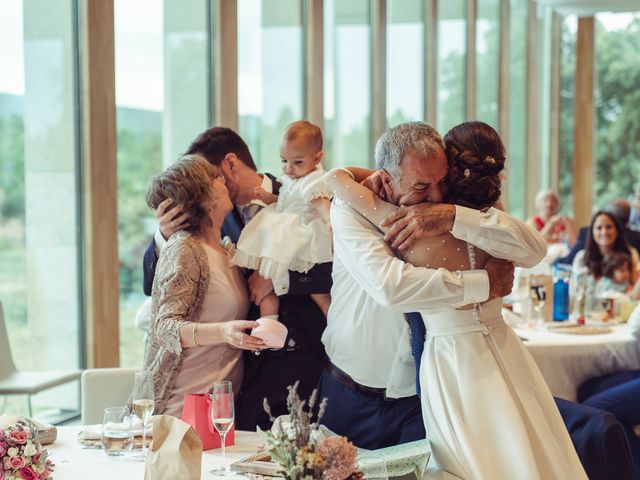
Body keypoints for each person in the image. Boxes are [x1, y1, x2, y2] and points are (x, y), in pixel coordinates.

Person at [324, 121, 586, 479]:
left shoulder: (453, 210)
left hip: (420, 394)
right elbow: (391, 287)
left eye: (441, 182)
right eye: (420, 186)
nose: (434, 196)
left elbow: (532, 248)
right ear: (386, 179)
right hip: (352, 391)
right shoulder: (351, 209)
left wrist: (452, 216)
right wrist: (484, 283)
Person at [141, 127, 331, 429]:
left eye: (212, 173)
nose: (215, 182)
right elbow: (158, 292)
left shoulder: (297, 189)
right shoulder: (201, 231)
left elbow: (332, 259)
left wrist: (279, 277)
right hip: (244, 375)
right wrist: (165, 236)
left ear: (230, 164)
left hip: (307, 354)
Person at [143, 155, 264, 416]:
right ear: (204, 198)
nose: (225, 181)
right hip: (183, 405)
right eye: (217, 177)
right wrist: (224, 332)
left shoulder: (223, 249)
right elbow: (163, 327)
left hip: (219, 405)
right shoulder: (184, 249)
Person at [232, 120, 332, 320]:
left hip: (301, 229)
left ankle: (329, 313)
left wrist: (330, 222)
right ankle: (268, 322)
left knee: (318, 294)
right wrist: (268, 198)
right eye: (283, 161)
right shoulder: (289, 180)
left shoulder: (313, 182)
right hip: (284, 225)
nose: (288, 168)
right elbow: (285, 199)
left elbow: (321, 203)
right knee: (268, 272)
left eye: (297, 162)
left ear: (317, 157)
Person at [571, 211, 639, 297]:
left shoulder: (630, 254)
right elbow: (577, 292)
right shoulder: (581, 258)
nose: (604, 232)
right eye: (599, 228)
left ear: (617, 231)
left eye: (609, 227)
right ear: (592, 232)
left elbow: (635, 290)